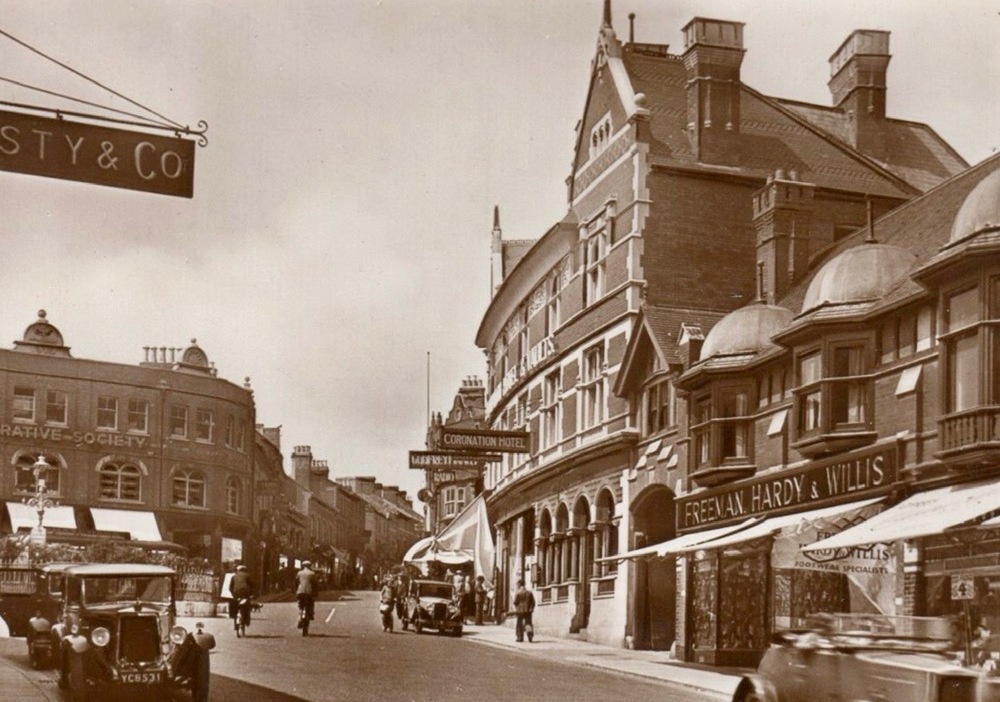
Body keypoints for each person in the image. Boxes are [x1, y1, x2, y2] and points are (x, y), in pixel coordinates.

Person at [228, 565, 255, 631]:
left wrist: (233, 594)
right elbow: (252, 586)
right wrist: (251, 594)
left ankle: (235, 625)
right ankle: (246, 621)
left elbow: (230, 587)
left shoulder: (233, 576)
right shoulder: (247, 576)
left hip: (236, 594)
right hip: (245, 594)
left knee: (235, 608)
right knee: (247, 607)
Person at [296, 560, 317, 629]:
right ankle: (310, 614)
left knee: (300, 606)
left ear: (303, 566)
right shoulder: (312, 574)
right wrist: (316, 592)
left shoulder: (299, 573)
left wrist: (295, 590)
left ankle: (299, 618)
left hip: (300, 592)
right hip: (309, 593)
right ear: (310, 566)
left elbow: (296, 583)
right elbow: (315, 584)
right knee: (310, 604)